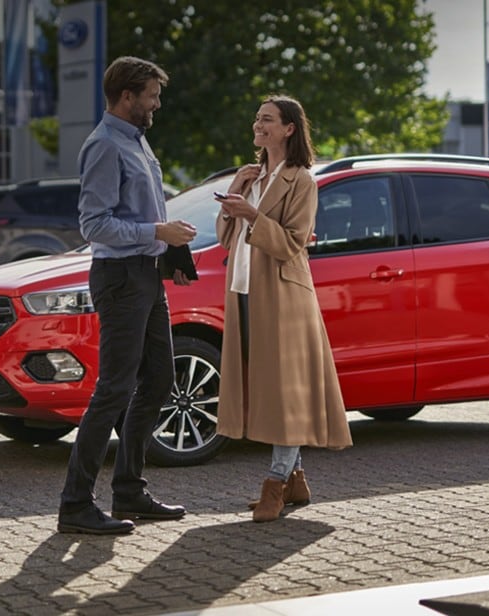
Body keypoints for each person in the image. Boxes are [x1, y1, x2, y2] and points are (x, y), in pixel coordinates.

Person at [57, 56, 198, 535]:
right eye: (152, 95)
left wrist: (170, 249)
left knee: (159, 378)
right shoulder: (103, 146)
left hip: (145, 275)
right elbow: (94, 225)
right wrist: (157, 230)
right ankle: (75, 504)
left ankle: (129, 490)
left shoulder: (138, 141)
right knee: (115, 388)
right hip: (118, 278)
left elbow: (147, 210)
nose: (157, 102)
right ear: (127, 96)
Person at [213, 95, 352, 523]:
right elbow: (223, 237)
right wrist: (238, 191)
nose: (259, 124)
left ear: (289, 128)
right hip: (244, 292)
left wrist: (253, 214)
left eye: (267, 119)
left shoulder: (302, 181)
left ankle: (275, 484)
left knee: (285, 391)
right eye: (257, 118)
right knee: (265, 390)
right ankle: (295, 480)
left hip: (284, 296)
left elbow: (293, 244)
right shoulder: (251, 176)